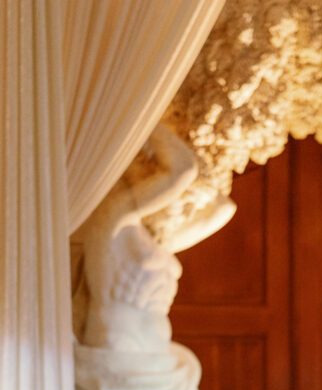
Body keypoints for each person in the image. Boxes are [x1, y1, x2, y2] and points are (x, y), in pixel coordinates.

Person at [79, 123, 235, 353]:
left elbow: (222, 209)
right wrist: (141, 116)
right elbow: (183, 171)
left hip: (152, 345)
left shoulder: (155, 241)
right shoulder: (111, 221)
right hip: (117, 339)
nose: (183, 208)